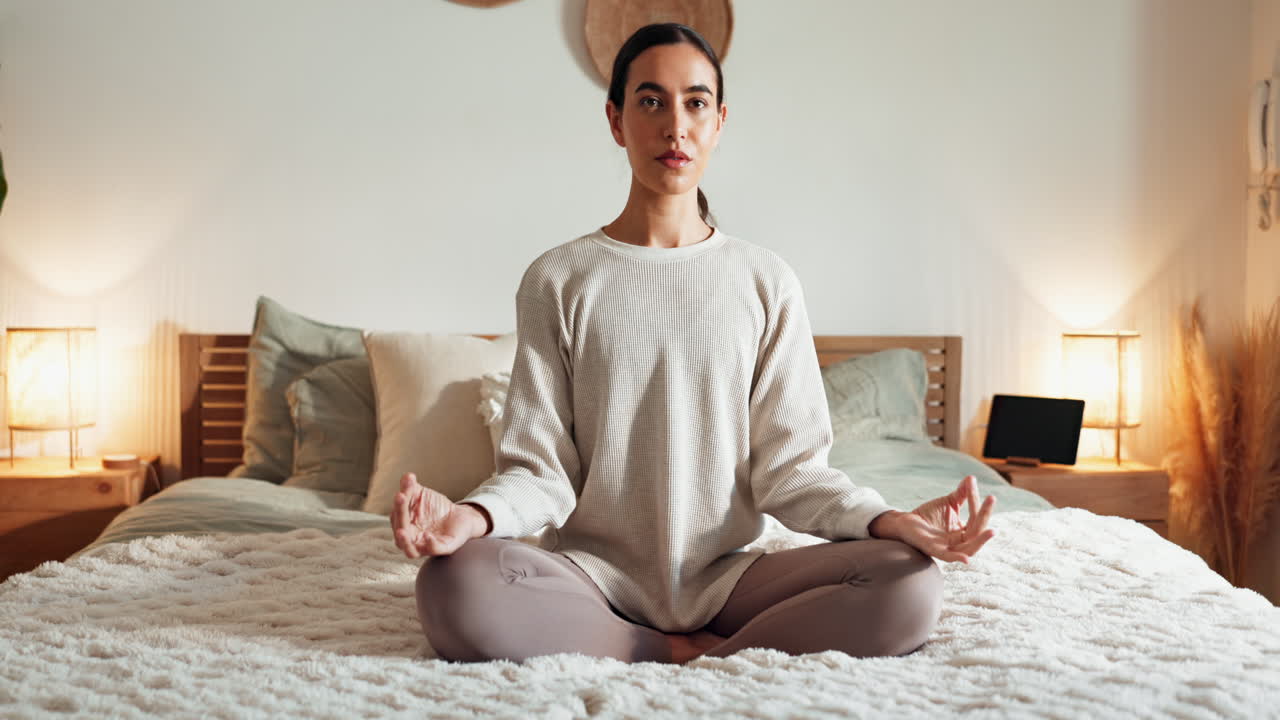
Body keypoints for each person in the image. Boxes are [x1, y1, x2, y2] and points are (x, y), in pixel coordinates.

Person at [391, 22, 996, 665]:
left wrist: (890, 521)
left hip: (732, 578)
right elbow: (540, 471)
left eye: (695, 102)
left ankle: (688, 643)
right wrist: (471, 518)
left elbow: (794, 473)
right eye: (650, 101)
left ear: (719, 121)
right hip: (591, 578)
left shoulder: (766, 282)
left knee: (911, 583)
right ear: (617, 120)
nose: (674, 126)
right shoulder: (558, 279)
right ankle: (663, 645)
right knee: (453, 583)